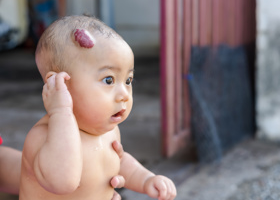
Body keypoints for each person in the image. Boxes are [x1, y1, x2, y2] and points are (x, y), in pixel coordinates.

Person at [19, 15, 177, 200]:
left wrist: (146, 180)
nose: (124, 94)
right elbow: (63, 181)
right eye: (109, 80)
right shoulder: (43, 137)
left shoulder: (108, 131)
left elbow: (119, 162)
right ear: (60, 84)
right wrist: (61, 111)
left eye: (128, 80)